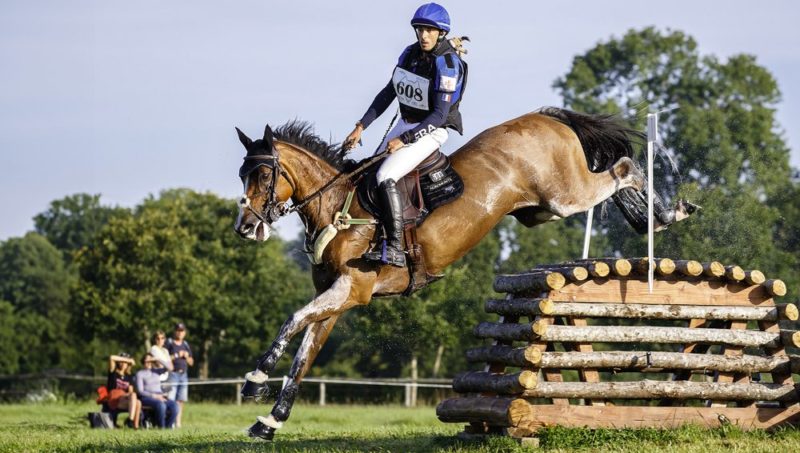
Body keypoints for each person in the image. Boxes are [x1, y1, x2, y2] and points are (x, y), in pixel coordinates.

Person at [343, 3, 467, 268]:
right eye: (420, 29)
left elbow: (439, 116)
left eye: (430, 30)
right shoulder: (409, 54)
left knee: (385, 176)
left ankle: (396, 247)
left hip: (431, 130)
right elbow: (389, 92)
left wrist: (406, 139)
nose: (424, 35)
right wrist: (361, 126)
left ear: (441, 33)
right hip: (406, 123)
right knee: (366, 174)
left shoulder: (447, 64)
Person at [135, 352, 178, 428]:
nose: (148, 363)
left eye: (150, 361)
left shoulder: (156, 371)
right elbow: (140, 391)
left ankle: (168, 427)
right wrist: (155, 396)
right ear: (143, 362)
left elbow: (170, 368)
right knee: (161, 405)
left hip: (160, 396)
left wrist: (158, 359)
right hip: (147, 397)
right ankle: (162, 427)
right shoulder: (140, 374)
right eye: (146, 361)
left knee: (174, 406)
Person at [166, 322, 193, 428]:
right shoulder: (170, 343)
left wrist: (186, 357)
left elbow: (191, 362)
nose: (180, 333)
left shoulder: (186, 344)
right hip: (173, 374)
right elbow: (165, 359)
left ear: (184, 332)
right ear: (175, 331)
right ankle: (170, 422)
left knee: (180, 400)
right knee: (171, 399)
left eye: (182, 331)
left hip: (184, 375)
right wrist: (177, 355)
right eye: (178, 330)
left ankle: (178, 423)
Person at [106, 352, 141, 429]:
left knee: (138, 402)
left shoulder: (129, 376)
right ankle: (130, 422)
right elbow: (111, 357)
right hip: (114, 398)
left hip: (123, 399)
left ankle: (135, 425)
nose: (123, 364)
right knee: (134, 396)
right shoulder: (113, 372)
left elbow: (130, 392)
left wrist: (130, 396)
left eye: (125, 363)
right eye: (121, 361)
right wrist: (128, 360)